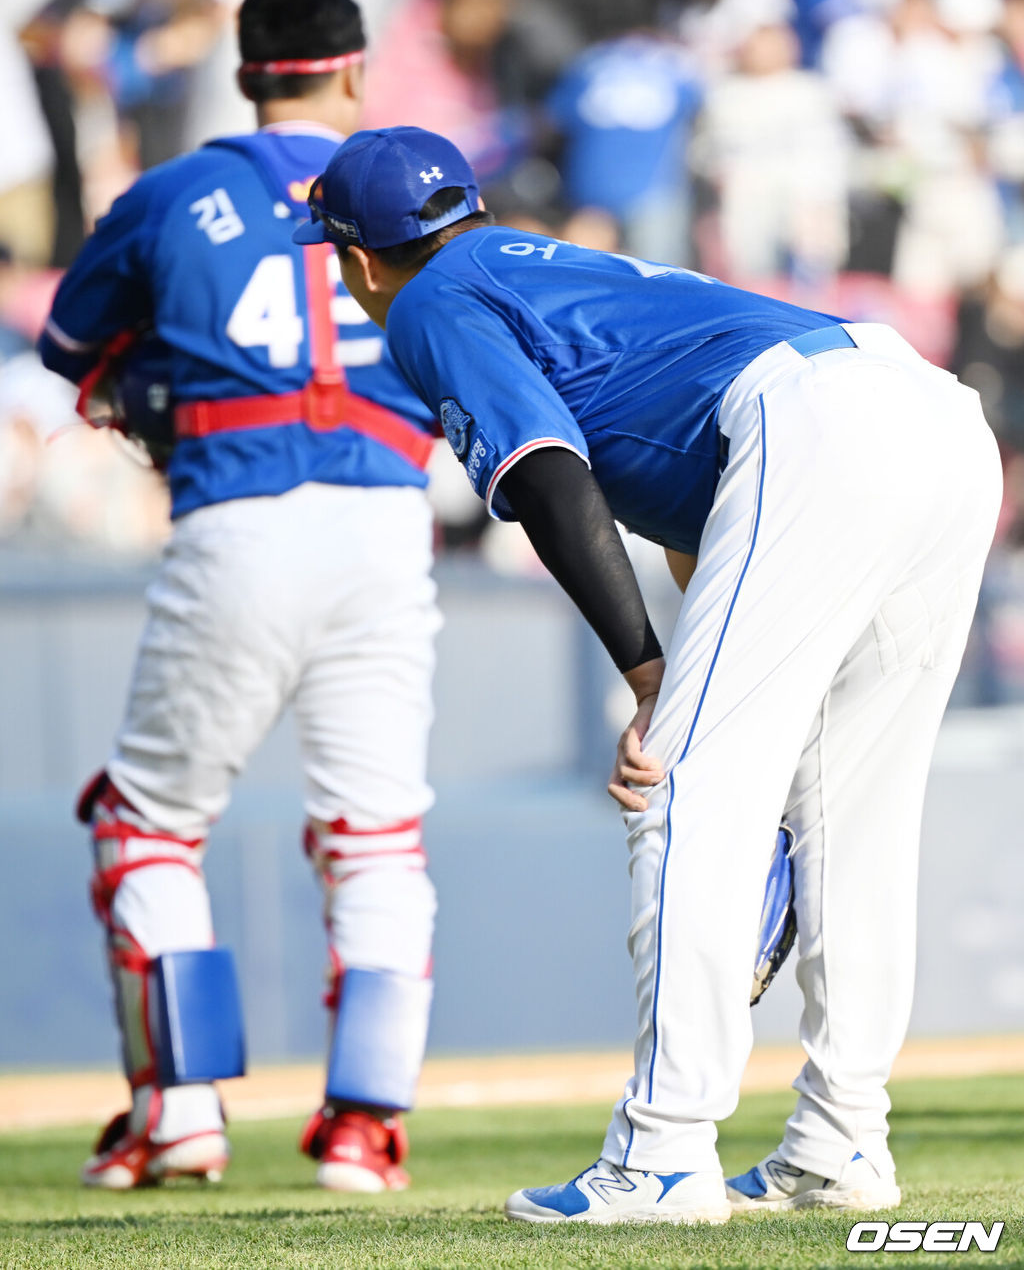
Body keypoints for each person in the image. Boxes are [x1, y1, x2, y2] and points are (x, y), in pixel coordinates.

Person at [295, 125, 1002, 1225]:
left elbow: (547, 478)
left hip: (820, 429)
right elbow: (698, 497)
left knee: (676, 785)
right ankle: (840, 1141)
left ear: (360, 259)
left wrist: (647, 676)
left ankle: (664, 1155)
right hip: (934, 420)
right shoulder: (545, 263)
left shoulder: (430, 301)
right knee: (850, 816)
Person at [38, 0, 441, 1193]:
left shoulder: (172, 195)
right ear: (354, 72)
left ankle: (181, 1115)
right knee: (377, 833)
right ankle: (366, 1129)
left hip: (239, 513)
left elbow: (70, 350)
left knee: (147, 822)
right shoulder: (425, 179)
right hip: (388, 522)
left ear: (245, 72)